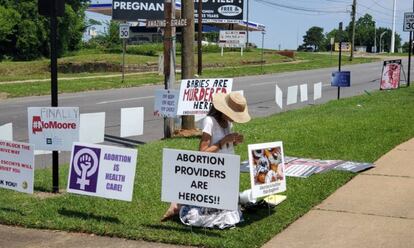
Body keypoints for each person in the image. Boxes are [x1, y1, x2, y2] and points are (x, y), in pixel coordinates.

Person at [161, 92, 251, 223]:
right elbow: (202, 153)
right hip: (214, 172)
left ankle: (179, 203)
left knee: (229, 212)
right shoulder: (210, 121)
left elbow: (226, 147)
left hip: (226, 173)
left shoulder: (228, 123)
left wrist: (235, 141)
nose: (234, 118)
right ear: (223, 110)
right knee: (208, 215)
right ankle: (178, 206)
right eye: (233, 114)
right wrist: (224, 141)